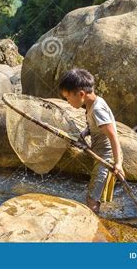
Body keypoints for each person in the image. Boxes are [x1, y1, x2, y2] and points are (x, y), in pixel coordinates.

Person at [58, 68, 125, 214]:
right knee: (96, 193)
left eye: (68, 98)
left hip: (107, 160)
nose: (68, 102)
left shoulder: (97, 109)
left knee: (92, 199)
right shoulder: (91, 105)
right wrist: (85, 132)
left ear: (81, 94)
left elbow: (113, 135)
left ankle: (95, 228)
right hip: (100, 156)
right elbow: (96, 126)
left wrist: (118, 163)